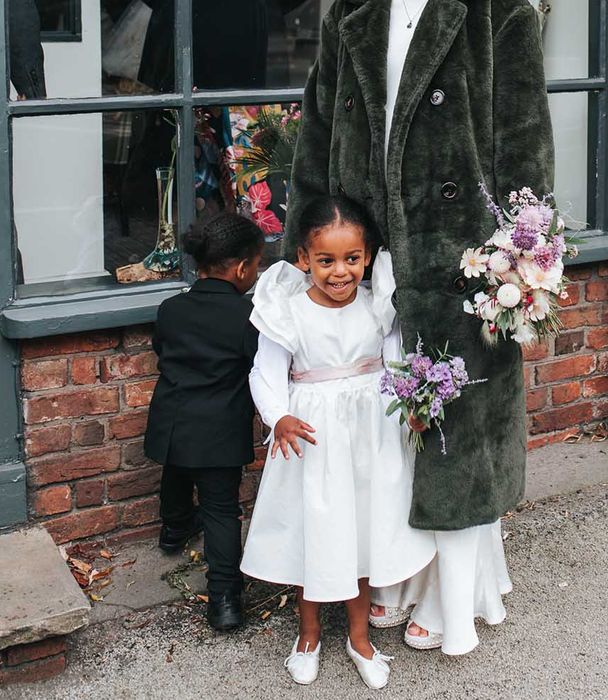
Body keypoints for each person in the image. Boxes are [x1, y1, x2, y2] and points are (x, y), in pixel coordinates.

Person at [282, 0, 555, 655]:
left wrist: (523, 259)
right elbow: (320, 127)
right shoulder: (349, 10)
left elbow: (525, 141)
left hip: (463, 257)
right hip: (364, 254)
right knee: (388, 425)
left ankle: (451, 596)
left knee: (456, 431)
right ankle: (399, 578)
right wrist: (306, 248)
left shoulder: (499, 12)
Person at [240, 196, 435, 689]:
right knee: (319, 528)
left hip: (371, 431)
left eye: (351, 259)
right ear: (304, 259)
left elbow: (394, 358)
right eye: (326, 261)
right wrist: (278, 415)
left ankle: (359, 636)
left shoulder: (376, 305)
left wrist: (411, 401)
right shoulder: (288, 312)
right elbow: (264, 373)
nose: (340, 272)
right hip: (315, 437)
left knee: (364, 529)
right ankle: (308, 635)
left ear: (366, 256)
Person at [144, 213, 264, 631]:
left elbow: (163, 350)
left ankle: (173, 532)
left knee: (175, 476)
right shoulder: (249, 317)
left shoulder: (170, 309)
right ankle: (225, 600)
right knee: (220, 511)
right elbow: (257, 367)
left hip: (173, 421)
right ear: (242, 268)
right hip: (219, 429)